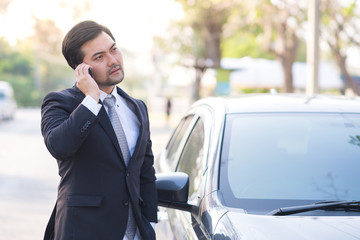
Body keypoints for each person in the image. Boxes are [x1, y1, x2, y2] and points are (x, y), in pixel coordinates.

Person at [41, 20, 157, 240]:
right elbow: (60, 146)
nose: (113, 60)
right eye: (99, 57)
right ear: (81, 69)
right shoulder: (59, 102)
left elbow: (145, 170)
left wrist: (149, 221)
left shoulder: (137, 107)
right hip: (84, 231)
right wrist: (92, 99)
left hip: (134, 233)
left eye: (113, 49)